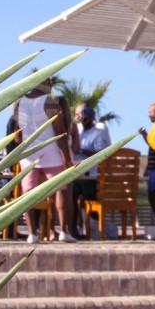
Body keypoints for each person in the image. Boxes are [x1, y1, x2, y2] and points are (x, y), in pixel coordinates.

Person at [13, 75, 76, 244]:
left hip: (28, 153)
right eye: (49, 82)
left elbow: (17, 133)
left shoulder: (19, 103)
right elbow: (60, 131)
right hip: (51, 151)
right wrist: (67, 158)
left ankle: (32, 234)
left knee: (27, 193)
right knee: (61, 189)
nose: (51, 85)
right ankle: (63, 231)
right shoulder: (49, 101)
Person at [72, 105, 111, 238]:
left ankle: (95, 230)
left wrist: (81, 150)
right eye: (78, 115)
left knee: (88, 198)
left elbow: (103, 154)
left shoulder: (99, 130)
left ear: (91, 116)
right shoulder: (77, 129)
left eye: (83, 114)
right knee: (70, 197)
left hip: (92, 174)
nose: (80, 117)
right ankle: (73, 230)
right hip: (75, 172)